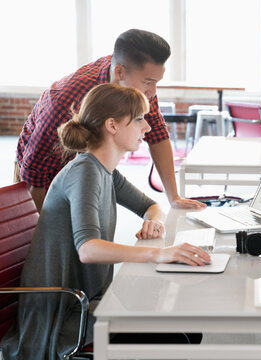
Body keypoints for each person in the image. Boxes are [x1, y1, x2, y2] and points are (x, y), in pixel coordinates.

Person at [1, 83, 211, 359]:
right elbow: (88, 249)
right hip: (61, 318)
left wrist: (154, 222)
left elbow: (151, 206)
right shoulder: (84, 172)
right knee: (178, 338)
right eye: (138, 120)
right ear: (112, 126)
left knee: (185, 325)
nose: (147, 128)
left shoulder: (105, 171)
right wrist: (159, 253)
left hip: (86, 302)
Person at [15, 28, 205, 212]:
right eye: (148, 82)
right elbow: (34, 177)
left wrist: (174, 197)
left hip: (88, 168)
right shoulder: (66, 100)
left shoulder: (137, 86)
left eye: (157, 82)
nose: (153, 92)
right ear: (120, 72)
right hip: (41, 173)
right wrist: (35, 239)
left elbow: (157, 134)